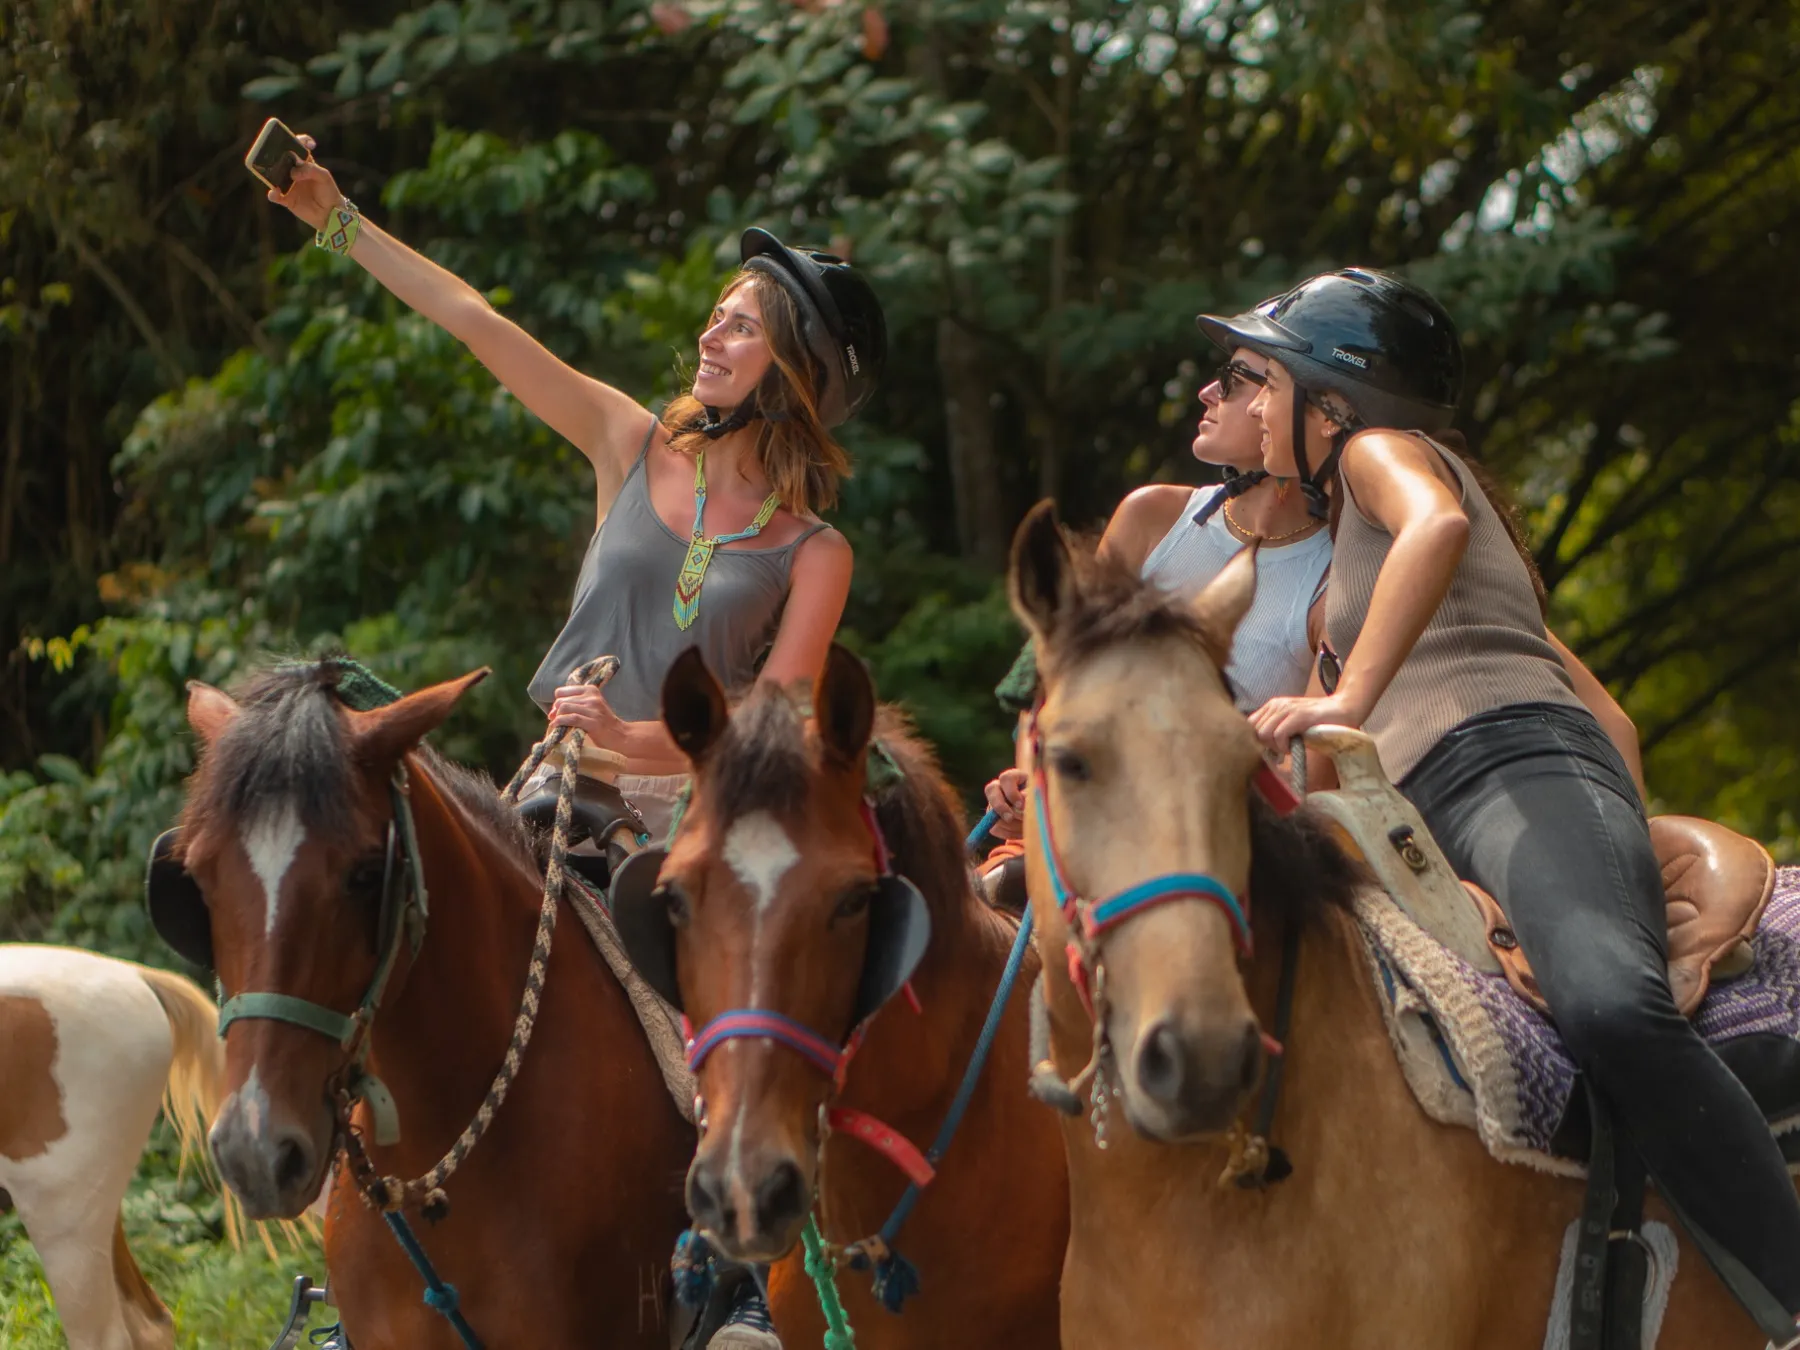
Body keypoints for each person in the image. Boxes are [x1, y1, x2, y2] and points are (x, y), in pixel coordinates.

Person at [1201, 268, 1800, 1344]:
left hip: (1519, 766)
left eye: (1268, 380)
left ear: (1334, 402)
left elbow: (1431, 527)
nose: (1248, 403)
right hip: (1423, 821)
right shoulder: (1347, 574)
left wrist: (1347, 695)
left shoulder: (1391, 456)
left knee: (1613, 1009)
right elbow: (1618, 721)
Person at [267, 134, 887, 844]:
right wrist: (337, 219)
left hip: (702, 828)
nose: (710, 337)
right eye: (718, 316)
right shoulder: (629, 442)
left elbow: (771, 721)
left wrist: (627, 737)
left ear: (796, 378)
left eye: (741, 327)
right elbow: (478, 325)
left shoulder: (815, 551)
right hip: (558, 788)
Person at [980, 317, 1332, 853]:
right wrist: (1028, 781)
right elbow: (1048, 683)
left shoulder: (1335, 577)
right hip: (1076, 831)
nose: (1207, 391)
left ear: (1297, 410)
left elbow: (1310, 780)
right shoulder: (1149, 515)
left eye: (1235, 378)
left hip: (1217, 850)